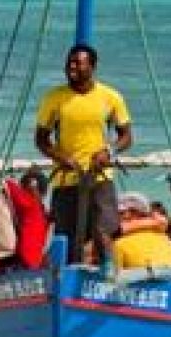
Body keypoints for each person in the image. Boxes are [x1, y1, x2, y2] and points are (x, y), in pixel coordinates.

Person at [35, 43, 133, 269]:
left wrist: (109, 151)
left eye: (78, 63)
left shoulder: (110, 97)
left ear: (92, 66)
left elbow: (126, 137)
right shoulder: (54, 98)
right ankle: (67, 281)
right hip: (66, 179)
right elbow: (41, 140)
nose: (71, 67)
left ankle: (108, 276)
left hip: (99, 178)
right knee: (68, 238)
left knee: (103, 232)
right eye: (69, 62)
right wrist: (60, 157)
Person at [113, 191, 171, 273]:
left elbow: (115, 277)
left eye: (121, 213)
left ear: (133, 213)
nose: (117, 217)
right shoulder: (165, 239)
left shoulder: (119, 244)